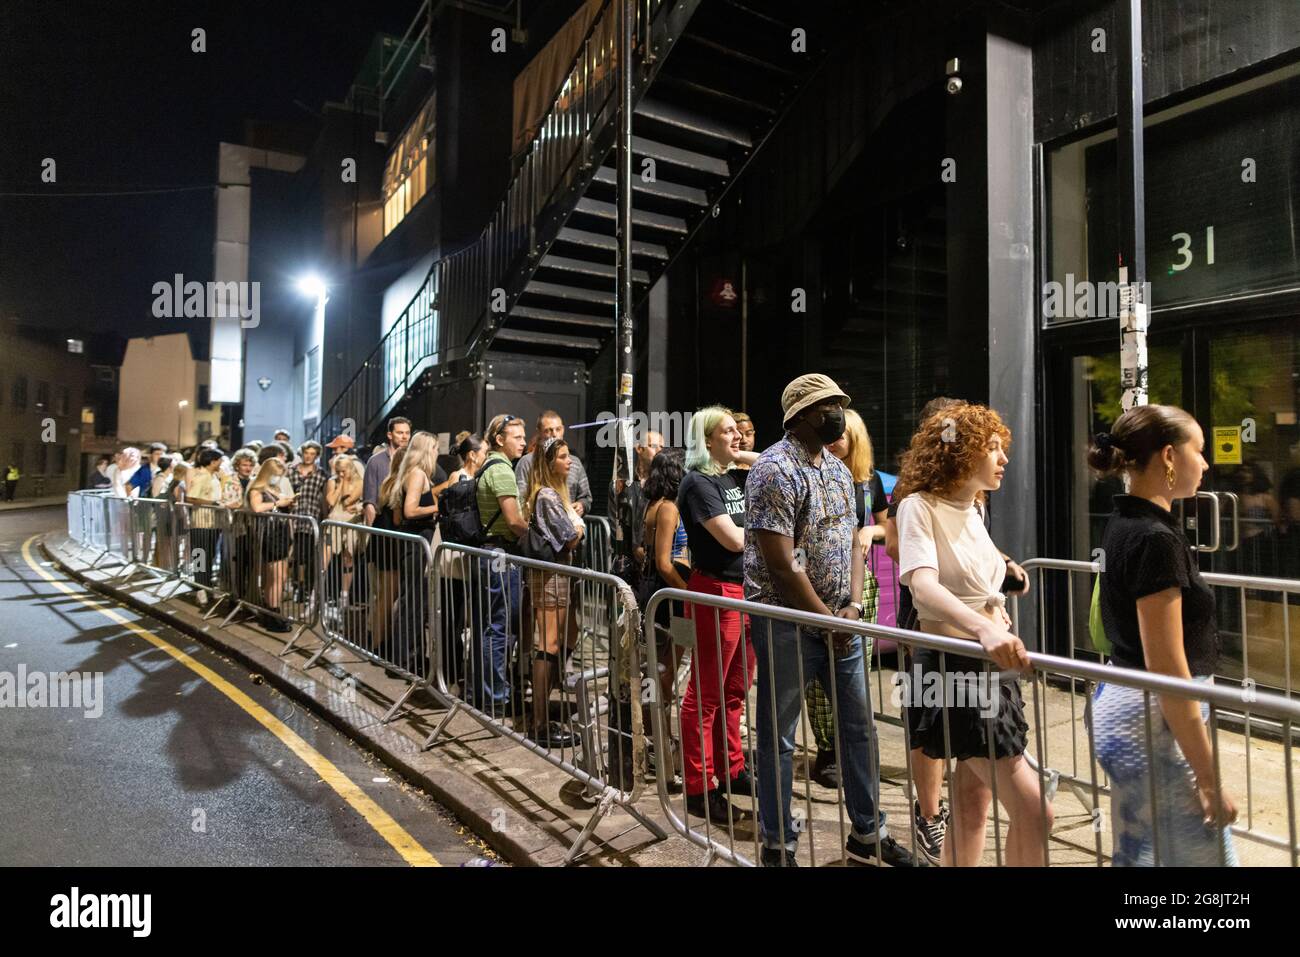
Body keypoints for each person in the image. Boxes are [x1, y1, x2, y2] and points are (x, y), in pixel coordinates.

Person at [744, 375, 913, 867]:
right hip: (786, 624)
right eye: (827, 407)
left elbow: (854, 544)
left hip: (842, 621)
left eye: (840, 403)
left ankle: (868, 832)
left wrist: (854, 609)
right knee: (778, 736)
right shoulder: (774, 470)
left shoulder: (839, 471)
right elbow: (780, 562)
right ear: (799, 416)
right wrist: (826, 621)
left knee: (859, 729)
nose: (837, 413)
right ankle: (778, 844)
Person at [895, 401, 1049, 867]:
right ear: (962, 454)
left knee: (971, 804)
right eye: (994, 448)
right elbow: (923, 582)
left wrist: (1005, 571)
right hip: (957, 670)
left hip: (986, 668)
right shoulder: (917, 507)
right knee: (1035, 810)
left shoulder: (973, 508)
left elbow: (975, 567)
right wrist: (983, 627)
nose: (1004, 458)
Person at [1088, 405, 1239, 866]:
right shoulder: (1156, 538)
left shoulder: (1127, 524)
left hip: (1126, 707)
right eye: (1200, 451)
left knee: (1141, 855)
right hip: (1151, 723)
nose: (1206, 464)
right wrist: (1210, 779)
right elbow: (1168, 668)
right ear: (1170, 456)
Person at [802, 407, 889, 790]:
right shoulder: (811, 473)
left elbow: (888, 526)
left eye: (842, 435)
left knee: (854, 672)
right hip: (818, 585)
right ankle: (827, 749)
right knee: (818, 679)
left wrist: (872, 534)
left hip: (860, 586)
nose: (835, 441)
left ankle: (853, 748)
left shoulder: (867, 482)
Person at [676, 405, 755, 825]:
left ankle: (732, 768)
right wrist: (771, 533)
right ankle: (699, 784)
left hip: (745, 592)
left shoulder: (733, 473)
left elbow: (777, 465)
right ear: (707, 440)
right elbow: (735, 539)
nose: (738, 436)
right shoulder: (698, 482)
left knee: (735, 689)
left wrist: (739, 456)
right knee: (704, 695)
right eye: (728, 432)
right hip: (716, 591)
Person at [522, 437, 585, 749]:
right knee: (547, 643)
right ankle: (539, 722)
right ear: (549, 464)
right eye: (562, 457)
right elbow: (570, 537)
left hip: (558, 576)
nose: (568, 461)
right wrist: (580, 527)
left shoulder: (554, 493)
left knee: (560, 640)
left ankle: (543, 714)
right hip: (550, 577)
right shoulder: (546, 495)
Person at [473, 414, 529, 713]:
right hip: (501, 556)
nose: (523, 442)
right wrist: (536, 535)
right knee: (501, 627)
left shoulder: (487, 467)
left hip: (488, 554)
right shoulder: (503, 472)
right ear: (499, 439)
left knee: (489, 627)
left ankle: (483, 691)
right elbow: (513, 521)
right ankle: (497, 697)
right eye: (517, 437)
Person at [382, 431, 442, 673]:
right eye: (435, 448)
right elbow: (410, 511)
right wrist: (439, 505)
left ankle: (407, 658)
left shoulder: (413, 473)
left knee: (412, 602)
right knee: (413, 604)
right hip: (418, 544)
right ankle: (405, 660)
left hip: (416, 544)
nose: (438, 452)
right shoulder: (417, 474)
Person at [638, 448, 690, 726]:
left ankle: (655, 733)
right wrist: (687, 591)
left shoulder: (654, 503)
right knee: (666, 668)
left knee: (659, 667)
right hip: (670, 594)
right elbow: (664, 562)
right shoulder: (668, 508)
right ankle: (660, 735)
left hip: (658, 591)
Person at [245, 458, 297, 632]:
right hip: (270, 535)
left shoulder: (274, 489)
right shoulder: (257, 488)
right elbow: (257, 508)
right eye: (276, 475)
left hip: (281, 533)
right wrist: (277, 503)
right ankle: (272, 614)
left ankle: (271, 611)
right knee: (276, 577)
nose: (278, 478)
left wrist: (287, 503)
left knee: (278, 577)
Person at [514, 411, 593, 516]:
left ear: (563, 430)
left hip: (570, 525)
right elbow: (520, 500)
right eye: (548, 430)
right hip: (541, 526)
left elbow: (586, 498)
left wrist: (581, 505)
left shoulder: (574, 462)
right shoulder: (527, 462)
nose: (554, 434)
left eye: (558, 429)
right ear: (539, 432)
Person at [323, 454, 366, 612]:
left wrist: (345, 483)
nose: (341, 474)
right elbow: (331, 501)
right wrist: (340, 484)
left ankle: (344, 597)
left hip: (350, 524)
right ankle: (316, 597)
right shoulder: (332, 481)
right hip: (333, 523)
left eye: (344, 471)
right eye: (338, 471)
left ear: (351, 469)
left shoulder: (359, 482)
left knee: (348, 560)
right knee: (324, 560)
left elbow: (349, 501)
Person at [289, 440, 329, 605]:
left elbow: (325, 498)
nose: (309, 456)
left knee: (306, 555)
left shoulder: (321, 474)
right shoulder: (291, 472)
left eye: (312, 454)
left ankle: (304, 588)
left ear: (317, 456)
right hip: (292, 517)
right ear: (302, 453)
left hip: (311, 518)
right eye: (307, 453)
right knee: (294, 556)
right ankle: (296, 585)